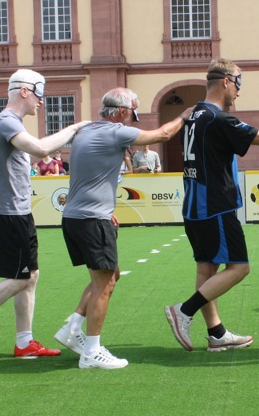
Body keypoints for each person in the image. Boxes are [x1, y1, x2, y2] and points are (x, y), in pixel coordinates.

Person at [0, 69, 89, 363]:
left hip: (17, 212)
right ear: (24, 91)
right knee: (19, 279)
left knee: (30, 277)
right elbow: (40, 148)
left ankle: (24, 341)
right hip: (7, 213)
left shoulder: (3, 122)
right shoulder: (5, 122)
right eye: (39, 93)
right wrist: (75, 128)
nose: (41, 101)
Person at [54, 87, 190, 369]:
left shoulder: (87, 130)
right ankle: (92, 351)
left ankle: (73, 328)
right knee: (105, 283)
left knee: (108, 275)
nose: (131, 121)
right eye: (131, 115)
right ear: (122, 112)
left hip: (78, 216)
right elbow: (162, 135)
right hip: (92, 218)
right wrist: (184, 116)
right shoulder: (116, 131)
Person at [164, 58, 259, 352]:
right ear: (225, 81)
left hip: (194, 205)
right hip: (215, 205)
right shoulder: (216, 117)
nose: (238, 91)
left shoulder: (193, 114)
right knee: (239, 268)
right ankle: (184, 311)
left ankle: (216, 333)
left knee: (207, 267)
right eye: (238, 83)